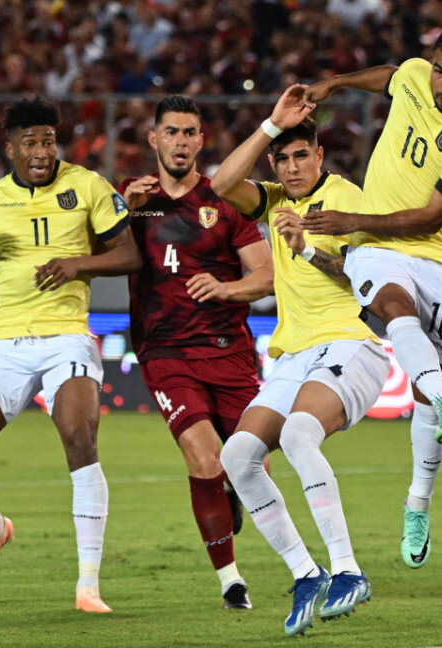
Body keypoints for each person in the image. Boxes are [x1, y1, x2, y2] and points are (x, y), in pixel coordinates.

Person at [298, 27, 442, 569]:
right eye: (439, 69)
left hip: (437, 255)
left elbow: (434, 217)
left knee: (423, 378)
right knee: (391, 304)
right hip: (376, 248)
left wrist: (351, 218)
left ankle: (418, 502)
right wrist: (336, 83)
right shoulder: (414, 76)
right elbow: (390, 78)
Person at [0, 97, 141, 613]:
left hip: (66, 336)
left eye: (48, 141)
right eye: (29, 142)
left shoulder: (89, 185)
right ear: (9, 148)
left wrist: (78, 263)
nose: (41, 151)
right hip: (2, 342)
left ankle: (88, 586)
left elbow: (129, 255)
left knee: (80, 437)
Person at [212, 92, 391, 636]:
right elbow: (219, 185)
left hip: (349, 344)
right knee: (239, 455)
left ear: (320, 155)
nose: (292, 168)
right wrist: (270, 125)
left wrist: (309, 247)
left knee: (296, 438)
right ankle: (305, 572)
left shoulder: (346, 201)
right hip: (295, 354)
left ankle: (348, 569)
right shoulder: (270, 200)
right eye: (282, 159)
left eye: (301, 156)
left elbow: (366, 283)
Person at [119, 95, 274, 609]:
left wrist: (227, 290)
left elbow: (267, 275)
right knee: (204, 457)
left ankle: (233, 487)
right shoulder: (135, 201)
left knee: (252, 464)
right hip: (165, 351)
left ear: (200, 141)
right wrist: (123, 215)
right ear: (154, 139)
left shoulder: (227, 199)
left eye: (190, 133)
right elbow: (104, 254)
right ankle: (231, 581)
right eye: (172, 132)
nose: (180, 142)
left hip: (230, 351)